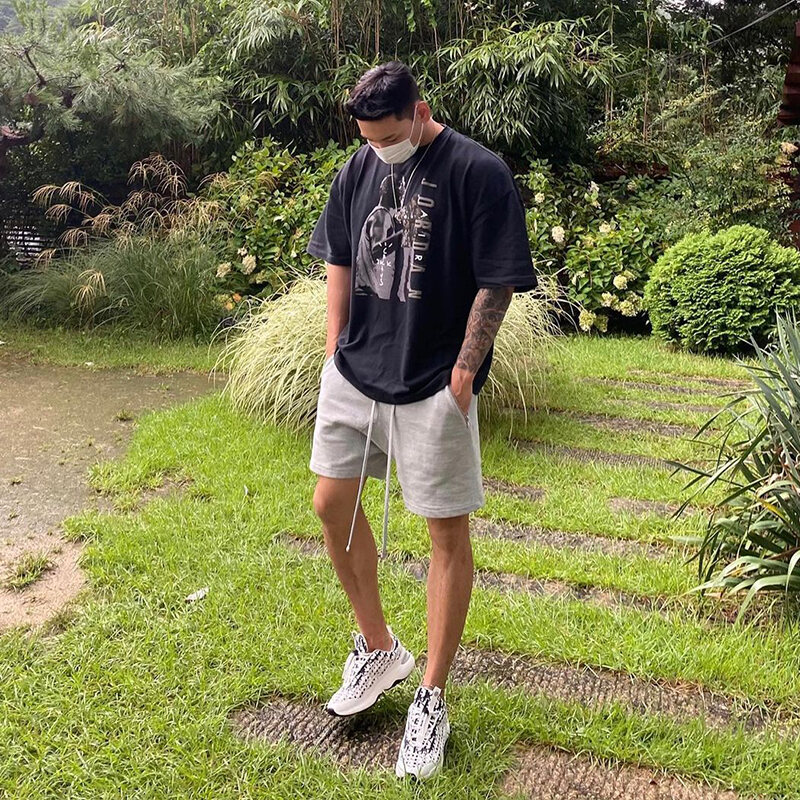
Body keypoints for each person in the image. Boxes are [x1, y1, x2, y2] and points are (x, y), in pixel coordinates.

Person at [306, 60, 537, 780]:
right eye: (369, 139)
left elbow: (498, 279)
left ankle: (431, 696)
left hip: (435, 380)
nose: (380, 149)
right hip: (355, 372)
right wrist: (332, 349)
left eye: (390, 136)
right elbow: (339, 257)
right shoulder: (357, 168)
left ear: (421, 111)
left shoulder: (478, 171)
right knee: (330, 504)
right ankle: (379, 648)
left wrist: (464, 373)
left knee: (444, 533)